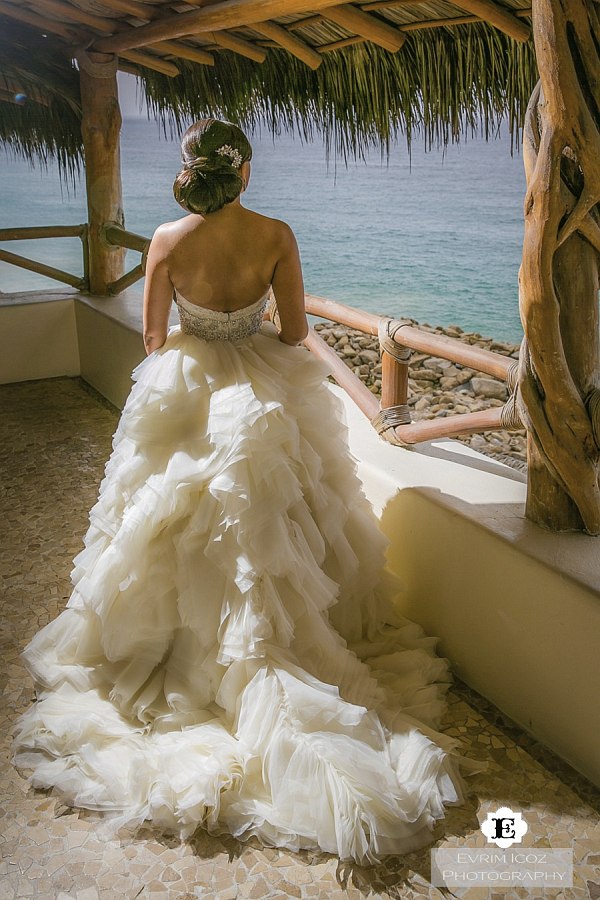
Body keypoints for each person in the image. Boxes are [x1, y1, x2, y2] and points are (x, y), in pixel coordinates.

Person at [10, 118, 481, 866]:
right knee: (284, 525)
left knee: (168, 520)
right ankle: (286, 653)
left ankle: (191, 656)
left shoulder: (165, 239)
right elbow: (295, 331)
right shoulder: (277, 233)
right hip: (264, 393)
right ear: (246, 172)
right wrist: (247, 325)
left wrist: (202, 339)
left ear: (191, 169)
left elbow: (152, 340)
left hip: (188, 384)